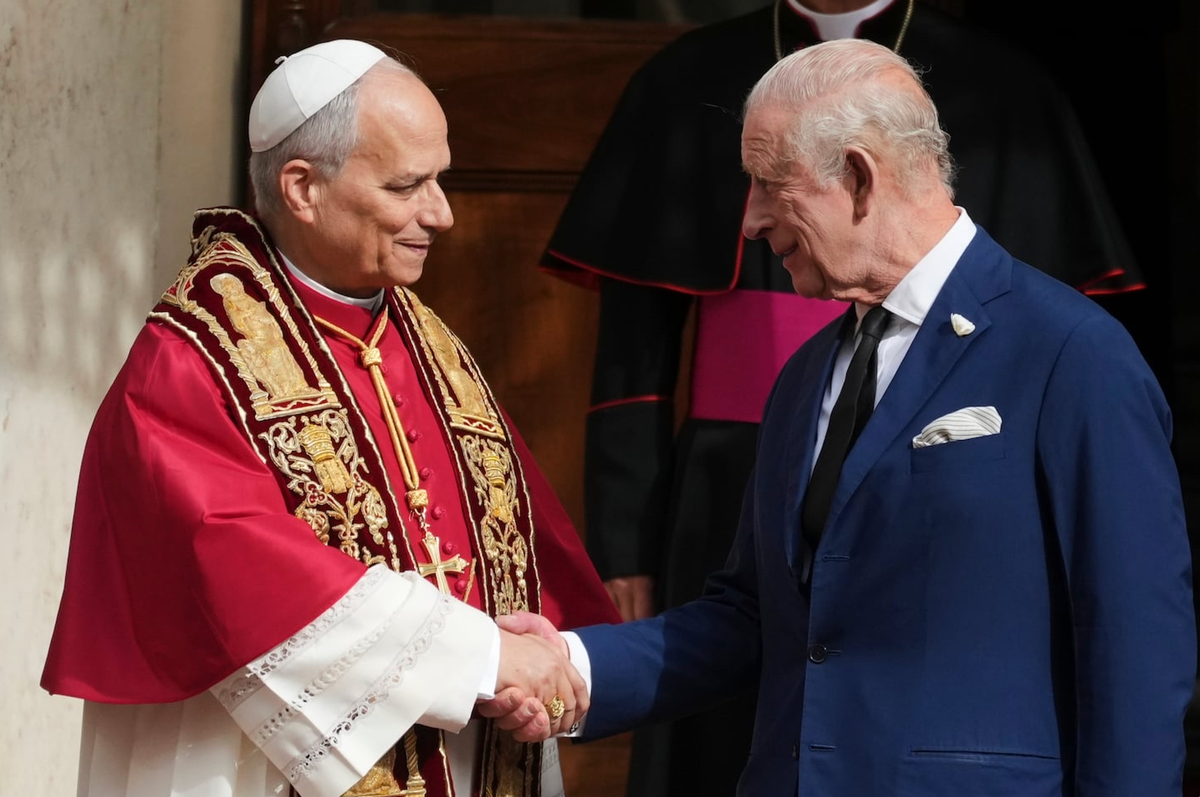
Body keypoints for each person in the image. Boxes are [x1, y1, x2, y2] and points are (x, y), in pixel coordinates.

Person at [503, 37, 1196, 796]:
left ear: (860, 178)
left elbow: (1137, 648)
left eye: (770, 183)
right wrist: (576, 665)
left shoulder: (1070, 351)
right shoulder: (804, 376)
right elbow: (752, 614)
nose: (751, 221)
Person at [40, 39, 619, 797]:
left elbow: (519, 552)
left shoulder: (425, 340)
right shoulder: (192, 356)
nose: (440, 214)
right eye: (407, 186)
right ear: (303, 187)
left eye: (439, 180)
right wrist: (478, 658)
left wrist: (531, 655)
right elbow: (236, 562)